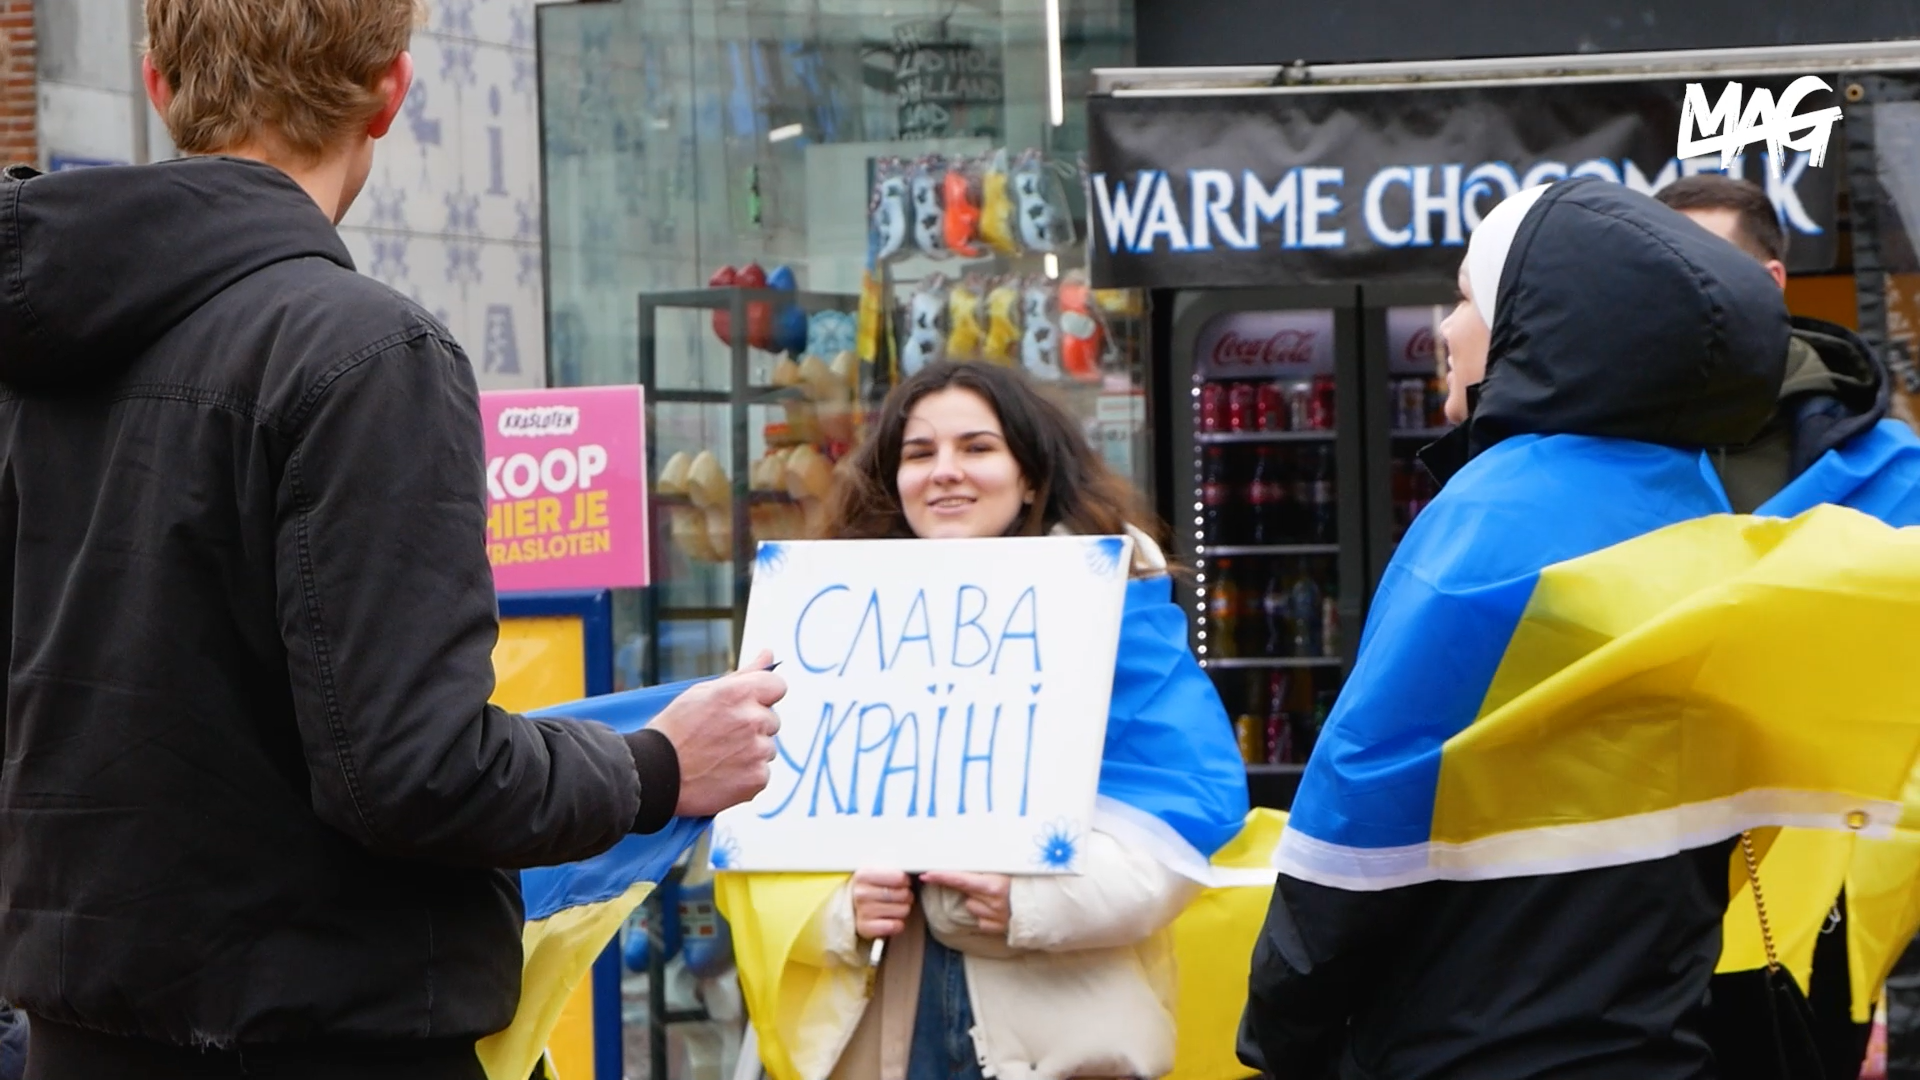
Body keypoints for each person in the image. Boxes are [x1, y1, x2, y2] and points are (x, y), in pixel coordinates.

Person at [0, 2, 782, 1078]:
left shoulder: (37, 354)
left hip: (73, 1032)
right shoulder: (362, 350)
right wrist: (658, 766)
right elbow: (414, 774)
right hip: (324, 1033)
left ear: (159, 85)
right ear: (392, 92)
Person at [1239, 179, 1793, 1078]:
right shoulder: (1700, 505)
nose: (1446, 327)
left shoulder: (1495, 516)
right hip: (1646, 1034)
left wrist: (1280, 1028)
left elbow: (1365, 800)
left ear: (1541, 326)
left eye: (1468, 295)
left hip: (1464, 1037)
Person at [713, 360, 1253, 1080]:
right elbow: (750, 827)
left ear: (1030, 473)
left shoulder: (1113, 613)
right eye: (918, 452)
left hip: (1055, 1040)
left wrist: (1032, 903)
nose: (944, 472)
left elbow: (1180, 826)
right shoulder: (822, 620)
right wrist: (837, 912)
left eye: (976, 447)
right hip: (864, 1033)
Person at [1660, 173, 1920, 1080]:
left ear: (1768, 284)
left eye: (1705, 268)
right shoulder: (1599, 446)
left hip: (1817, 895)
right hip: (1628, 890)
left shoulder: (1889, 467)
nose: (1681, 296)